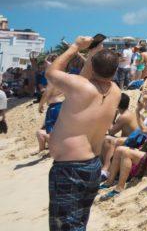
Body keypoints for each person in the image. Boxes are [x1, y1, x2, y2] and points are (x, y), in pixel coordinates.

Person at [45, 37, 121, 230]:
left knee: (66, 226)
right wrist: (94, 54)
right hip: (92, 165)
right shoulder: (116, 92)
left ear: (93, 66)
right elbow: (91, 76)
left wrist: (76, 46)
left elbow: (51, 72)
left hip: (70, 169)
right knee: (77, 222)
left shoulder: (80, 86)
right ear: (115, 70)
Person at [100, 93, 139, 178]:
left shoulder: (124, 117)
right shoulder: (129, 114)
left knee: (107, 139)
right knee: (107, 138)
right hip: (133, 141)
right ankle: (105, 166)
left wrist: (110, 116)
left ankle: (106, 169)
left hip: (133, 143)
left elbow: (111, 132)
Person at [36, 83, 65, 153]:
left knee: (51, 129)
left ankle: (56, 148)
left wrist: (40, 106)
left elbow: (45, 95)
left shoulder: (53, 81)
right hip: (63, 105)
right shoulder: (63, 81)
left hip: (55, 106)